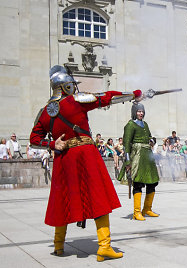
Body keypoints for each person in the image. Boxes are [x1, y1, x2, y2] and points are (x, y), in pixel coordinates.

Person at [29, 65, 142, 261]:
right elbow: (108, 97)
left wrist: (51, 143)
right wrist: (133, 94)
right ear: (66, 87)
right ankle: (104, 247)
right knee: (98, 198)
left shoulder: (45, 112)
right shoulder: (75, 101)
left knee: (62, 200)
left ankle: (58, 246)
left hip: (63, 159)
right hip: (85, 155)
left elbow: (33, 139)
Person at [118, 102, 160, 221]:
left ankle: (147, 209)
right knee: (138, 183)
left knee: (152, 182)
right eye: (138, 111)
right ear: (134, 112)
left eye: (142, 111)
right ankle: (137, 212)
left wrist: (151, 140)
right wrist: (127, 162)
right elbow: (126, 144)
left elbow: (148, 137)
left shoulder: (145, 124)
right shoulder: (130, 125)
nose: (141, 113)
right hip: (137, 156)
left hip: (148, 156)